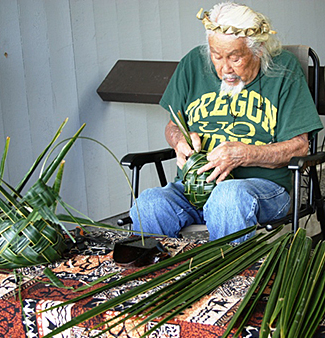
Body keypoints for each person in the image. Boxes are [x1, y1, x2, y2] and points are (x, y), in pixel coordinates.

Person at [130, 2, 323, 242]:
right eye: (216, 56)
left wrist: (244, 154)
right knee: (149, 204)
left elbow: (299, 147)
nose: (224, 69)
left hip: (262, 189)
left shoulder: (284, 70)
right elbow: (172, 125)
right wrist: (179, 140)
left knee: (228, 196)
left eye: (235, 58)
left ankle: (227, 277)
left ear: (258, 50)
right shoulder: (192, 64)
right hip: (194, 189)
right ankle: (163, 276)